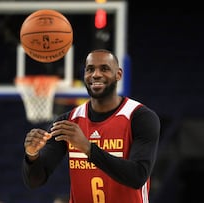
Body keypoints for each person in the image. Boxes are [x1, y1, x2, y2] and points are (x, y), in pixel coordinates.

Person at [22, 49, 160, 203]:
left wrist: (87, 147)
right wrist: (32, 155)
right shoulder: (68, 121)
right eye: (90, 69)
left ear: (119, 74)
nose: (96, 74)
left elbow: (138, 176)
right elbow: (34, 181)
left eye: (104, 69)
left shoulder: (140, 117)